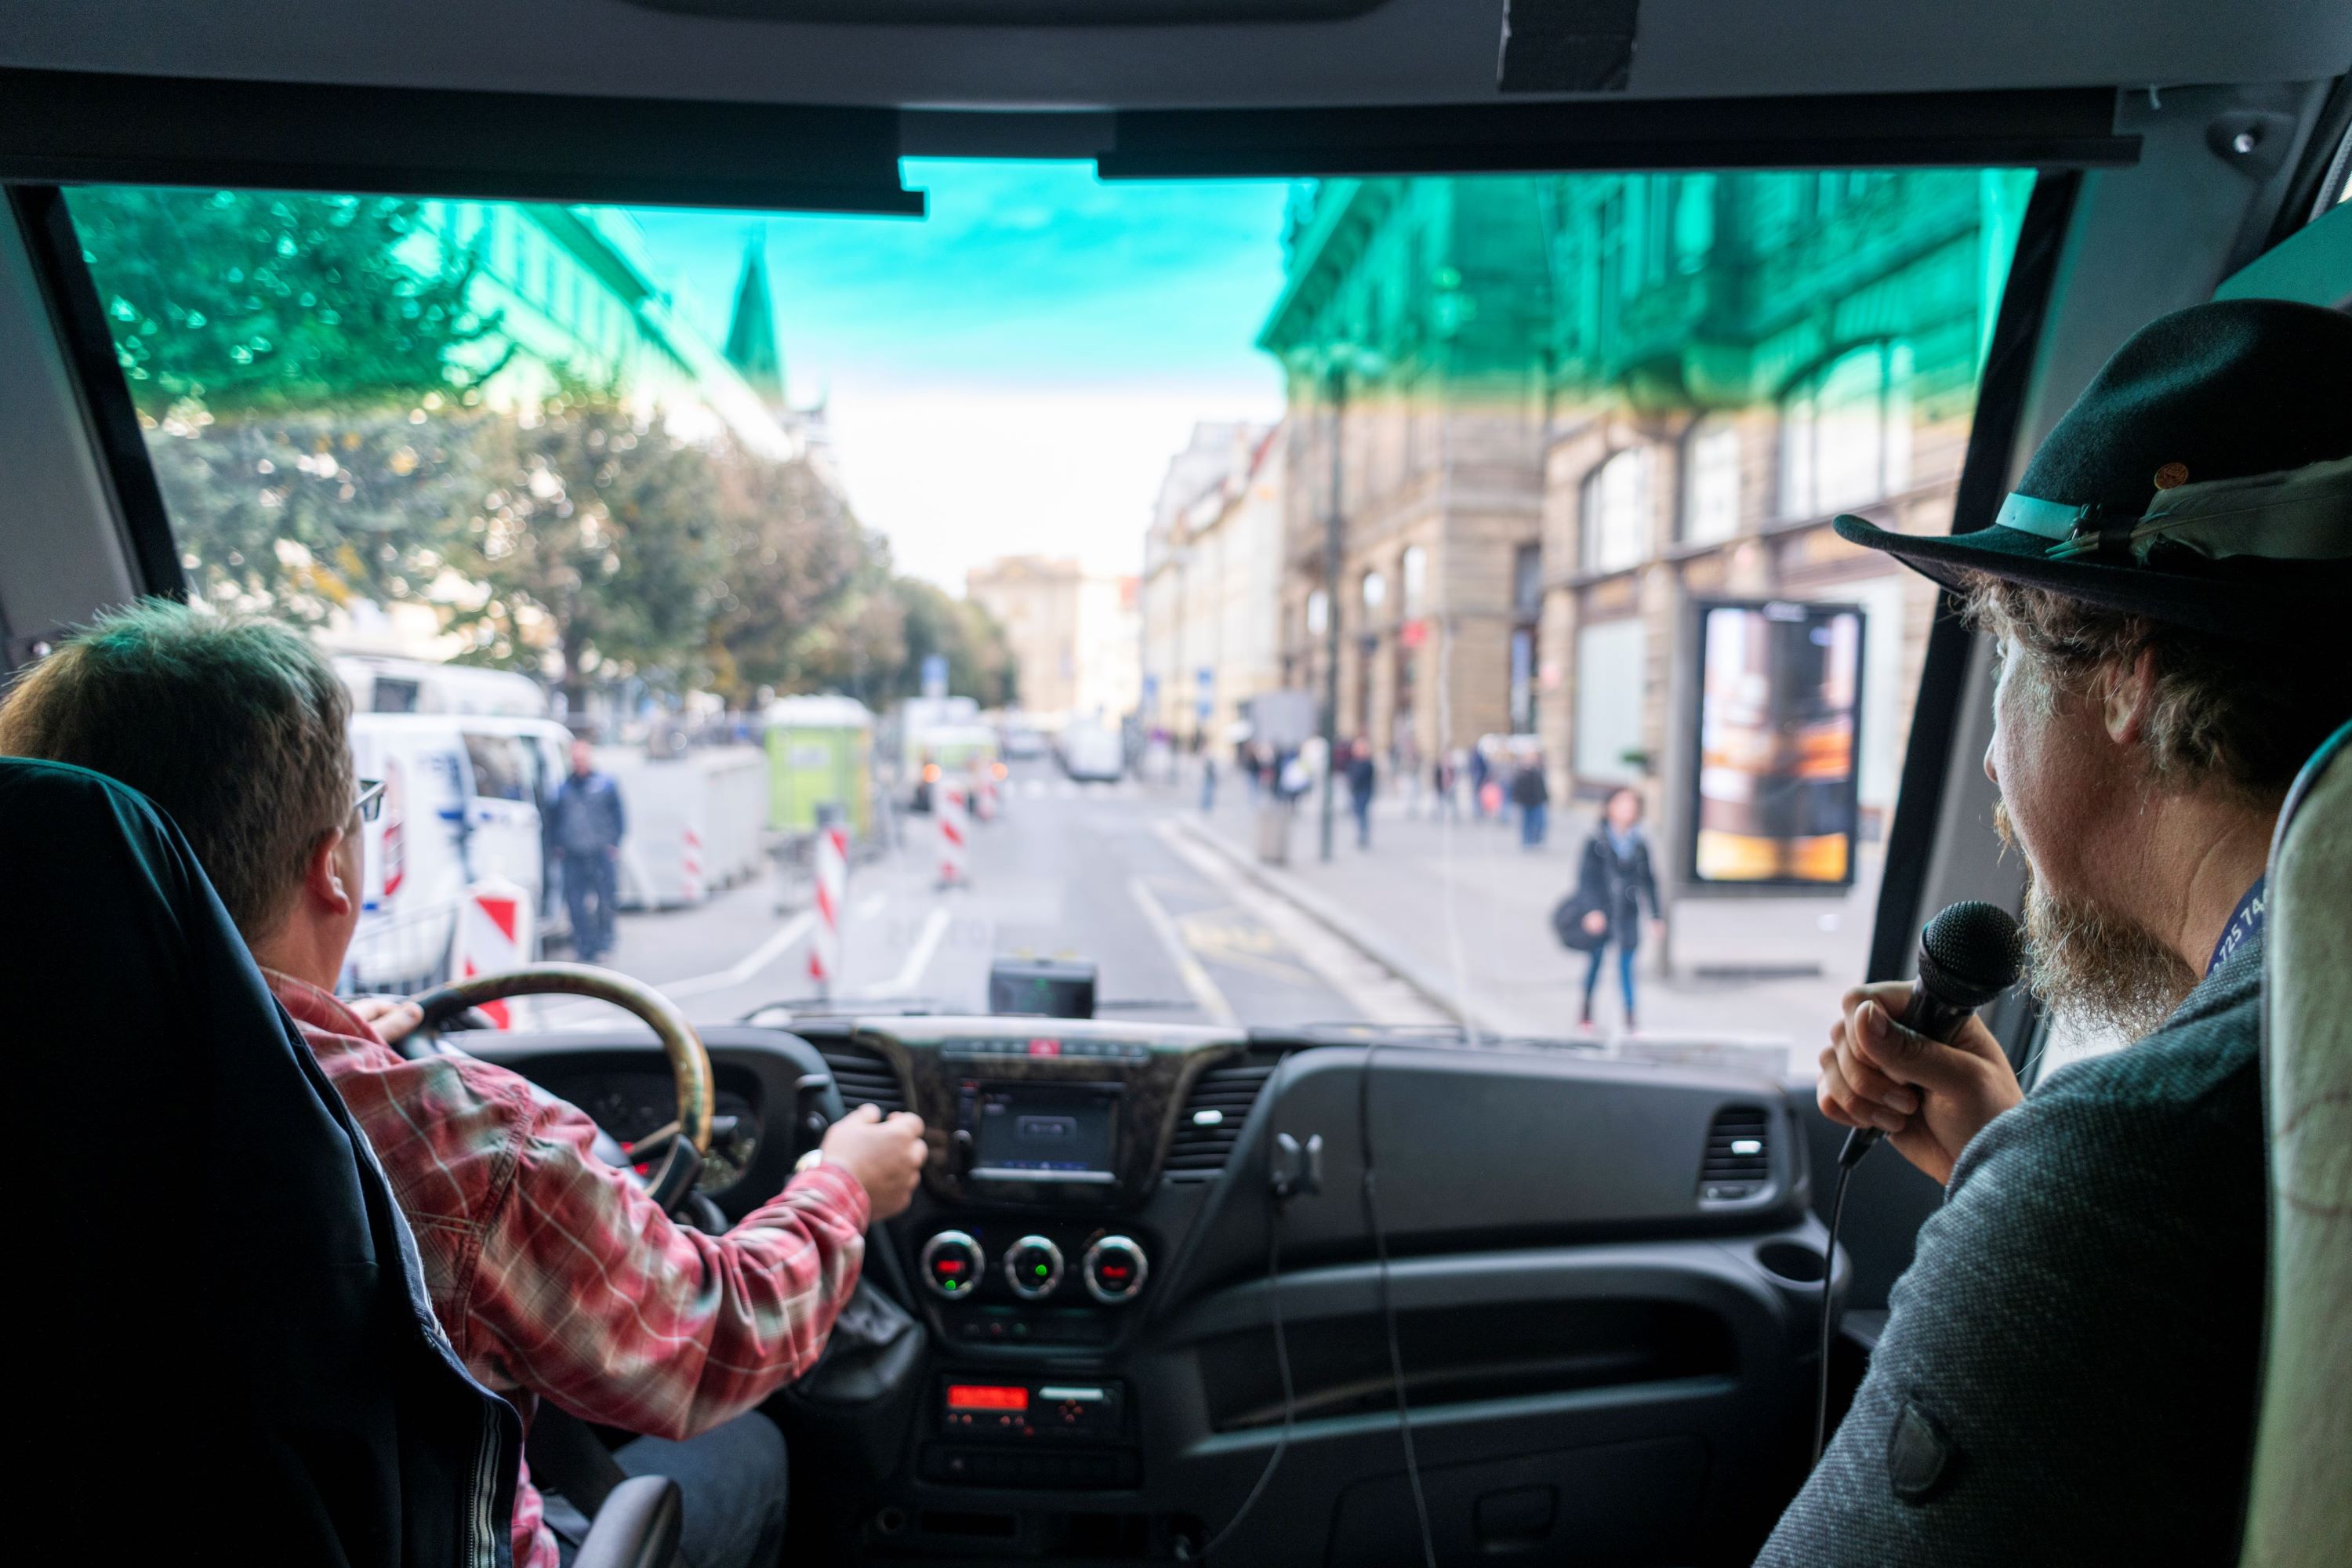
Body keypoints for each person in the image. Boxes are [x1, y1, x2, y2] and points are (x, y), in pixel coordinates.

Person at [0, 601, 931, 1568]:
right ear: (333, 868)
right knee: (753, 1447)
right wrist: (844, 1185)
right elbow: (717, 1340)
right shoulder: (463, 1137)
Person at [1762, 299, 2352, 1565]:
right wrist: (2011, 1148)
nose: (1989, 761)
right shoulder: (2269, 1079)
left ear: (2132, 672)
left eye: (2009, 674)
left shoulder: (2140, 1164)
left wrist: (2048, 1189)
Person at [1573, 786, 1660, 1028]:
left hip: (1628, 913)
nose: (1628, 810)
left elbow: (1649, 881)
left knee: (1627, 967)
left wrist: (1655, 915)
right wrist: (1591, 910)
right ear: (1610, 807)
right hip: (1603, 911)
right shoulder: (1596, 840)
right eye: (1622, 804)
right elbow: (1585, 879)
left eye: (1632, 805)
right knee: (1595, 963)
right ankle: (1586, 1009)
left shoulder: (1639, 843)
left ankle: (1630, 1019)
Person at [550, 736, 626, 964]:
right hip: (573, 852)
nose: (579, 762)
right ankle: (583, 943)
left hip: (600, 850)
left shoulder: (605, 784)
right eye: (575, 758)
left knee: (605, 899)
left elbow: (619, 816)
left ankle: (603, 940)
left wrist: (614, 843)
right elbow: (553, 819)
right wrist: (557, 846)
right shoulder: (563, 788)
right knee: (575, 902)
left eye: (582, 757)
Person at [1510, 752, 1552, 848]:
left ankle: (1535, 839)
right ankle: (1527, 841)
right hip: (1527, 801)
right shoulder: (1522, 772)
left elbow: (1542, 787)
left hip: (1538, 801)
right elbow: (1518, 787)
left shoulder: (1539, 770)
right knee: (1526, 822)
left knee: (1539, 822)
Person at [1345, 738, 1377, 849]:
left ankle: (1363, 836)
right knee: (1358, 814)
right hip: (1355, 791)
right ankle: (1361, 835)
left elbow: (1365, 778)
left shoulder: (1367, 763)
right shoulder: (1353, 762)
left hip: (1364, 791)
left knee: (1362, 814)